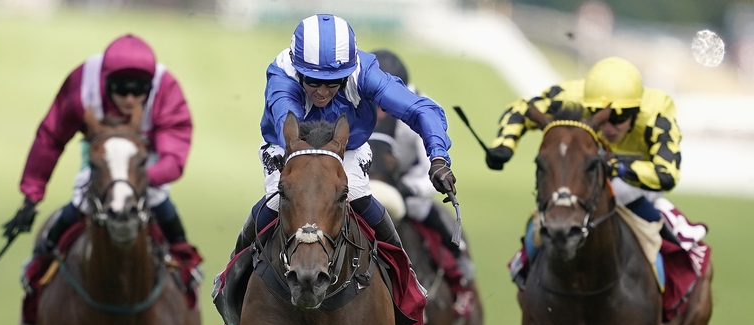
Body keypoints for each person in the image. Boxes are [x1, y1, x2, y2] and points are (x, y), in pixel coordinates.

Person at [230, 14, 457, 267]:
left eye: (333, 82)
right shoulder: (283, 75)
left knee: (358, 194)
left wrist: (438, 157)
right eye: (313, 81)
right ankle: (234, 272)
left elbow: (421, 109)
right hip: (290, 145)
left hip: (347, 147)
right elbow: (289, 125)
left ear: (347, 74)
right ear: (297, 69)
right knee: (277, 199)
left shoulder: (365, 72)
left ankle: (404, 275)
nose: (322, 92)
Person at [2, 34, 202, 293]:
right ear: (106, 81)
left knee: (158, 199)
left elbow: (174, 157)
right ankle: (41, 263)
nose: (129, 99)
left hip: (142, 161)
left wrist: (137, 178)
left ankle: (185, 262)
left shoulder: (167, 89)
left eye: (139, 90)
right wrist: (31, 197)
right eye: (121, 88)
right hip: (101, 159)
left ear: (151, 86)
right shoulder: (81, 87)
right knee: (80, 202)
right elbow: (50, 139)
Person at [483, 56, 707, 284]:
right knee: (551, 208)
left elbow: (666, 174)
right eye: (598, 115)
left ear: (636, 111)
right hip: (587, 174)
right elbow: (521, 109)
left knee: (626, 195)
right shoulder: (570, 97)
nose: (608, 128)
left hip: (637, 183)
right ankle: (525, 266)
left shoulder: (657, 114)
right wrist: (504, 145)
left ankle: (670, 279)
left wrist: (616, 166)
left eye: (619, 118)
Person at [369, 49, 475, 285]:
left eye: (382, 104)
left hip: (409, 180)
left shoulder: (423, 113)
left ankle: (458, 256)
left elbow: (434, 169)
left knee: (420, 209)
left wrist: (410, 189)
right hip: (366, 177)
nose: (377, 112)